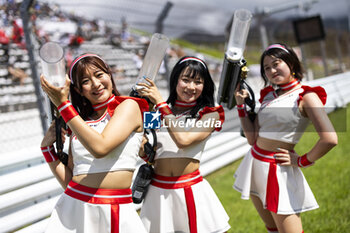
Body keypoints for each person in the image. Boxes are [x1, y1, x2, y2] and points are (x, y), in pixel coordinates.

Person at [233, 43, 338, 233]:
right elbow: (252, 139)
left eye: (276, 63)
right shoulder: (267, 96)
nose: (272, 70)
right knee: (272, 229)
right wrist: (241, 106)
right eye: (266, 68)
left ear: (290, 63)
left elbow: (329, 138)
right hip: (255, 163)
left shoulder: (306, 96)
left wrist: (302, 161)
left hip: (278, 171)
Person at [40, 54, 148, 233]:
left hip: (116, 209)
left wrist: (63, 106)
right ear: (79, 90)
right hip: (74, 207)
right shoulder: (80, 123)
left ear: (109, 75)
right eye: (85, 81)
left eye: (99, 75)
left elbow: (101, 147)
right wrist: (46, 148)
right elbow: (71, 180)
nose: (96, 84)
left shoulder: (128, 106)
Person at [137, 56, 231, 233]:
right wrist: (140, 134)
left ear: (205, 86)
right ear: (175, 81)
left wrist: (161, 104)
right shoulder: (157, 111)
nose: (191, 87)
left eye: (198, 82)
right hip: (158, 192)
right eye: (185, 80)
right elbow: (147, 152)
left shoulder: (210, 114)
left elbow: (184, 140)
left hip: (191, 189)